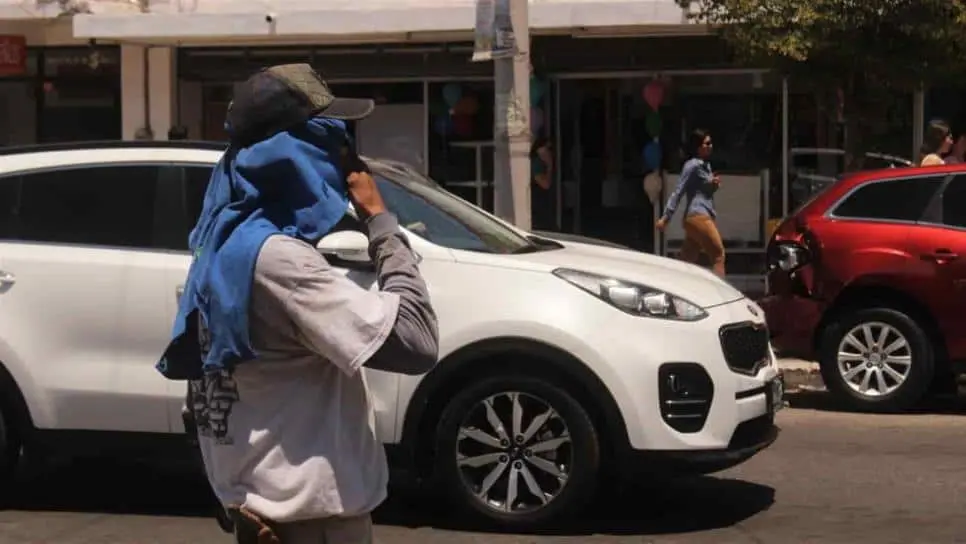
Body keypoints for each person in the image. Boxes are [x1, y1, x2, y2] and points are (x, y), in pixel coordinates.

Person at [158, 63, 439, 544]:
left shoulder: (219, 244)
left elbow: (203, 396)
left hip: (260, 509)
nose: (347, 155)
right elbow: (416, 342)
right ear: (298, 150)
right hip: (312, 522)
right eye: (337, 140)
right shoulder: (277, 260)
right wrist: (379, 221)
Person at [655, 128, 725, 277]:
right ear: (699, 147)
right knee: (718, 255)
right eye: (708, 143)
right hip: (698, 217)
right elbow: (679, 191)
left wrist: (712, 185)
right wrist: (666, 217)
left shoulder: (706, 166)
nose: (711, 146)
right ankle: (723, 295)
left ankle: (670, 283)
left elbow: (702, 192)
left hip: (697, 218)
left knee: (686, 262)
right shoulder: (692, 165)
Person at [530, 137, 555, 230]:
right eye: (547, 149)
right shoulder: (537, 163)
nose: (549, 152)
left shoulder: (539, 163)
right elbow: (545, 185)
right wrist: (549, 166)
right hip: (539, 206)